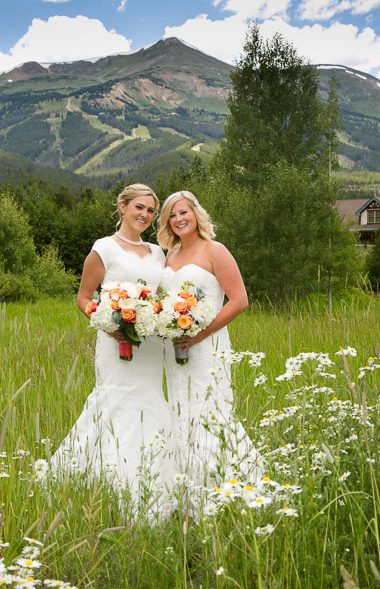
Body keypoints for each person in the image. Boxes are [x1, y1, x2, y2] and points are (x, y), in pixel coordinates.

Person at [52, 183, 177, 521]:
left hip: (150, 345)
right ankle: (110, 484)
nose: (145, 215)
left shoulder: (157, 253)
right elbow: (83, 297)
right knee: (115, 402)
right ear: (122, 207)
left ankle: (156, 484)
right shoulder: (104, 249)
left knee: (150, 402)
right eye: (139, 207)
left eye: (151, 211)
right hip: (114, 341)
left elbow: (162, 296)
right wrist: (107, 323)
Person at [157, 190, 263, 511]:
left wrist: (201, 334)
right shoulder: (169, 256)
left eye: (184, 212)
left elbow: (240, 299)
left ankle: (225, 489)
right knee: (181, 413)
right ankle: (188, 495)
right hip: (175, 348)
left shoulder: (215, 250)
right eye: (172, 215)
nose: (179, 219)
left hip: (208, 346)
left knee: (210, 413)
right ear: (167, 222)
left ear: (196, 214)